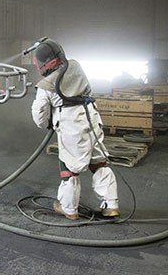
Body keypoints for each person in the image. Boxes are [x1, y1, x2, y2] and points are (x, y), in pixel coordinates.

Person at [30, 39, 120, 220]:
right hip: (91, 118)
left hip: (72, 125)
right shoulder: (76, 67)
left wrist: (48, 124)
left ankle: (69, 208)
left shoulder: (46, 86)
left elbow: (39, 115)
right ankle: (111, 205)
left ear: (42, 63)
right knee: (99, 162)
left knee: (69, 167)